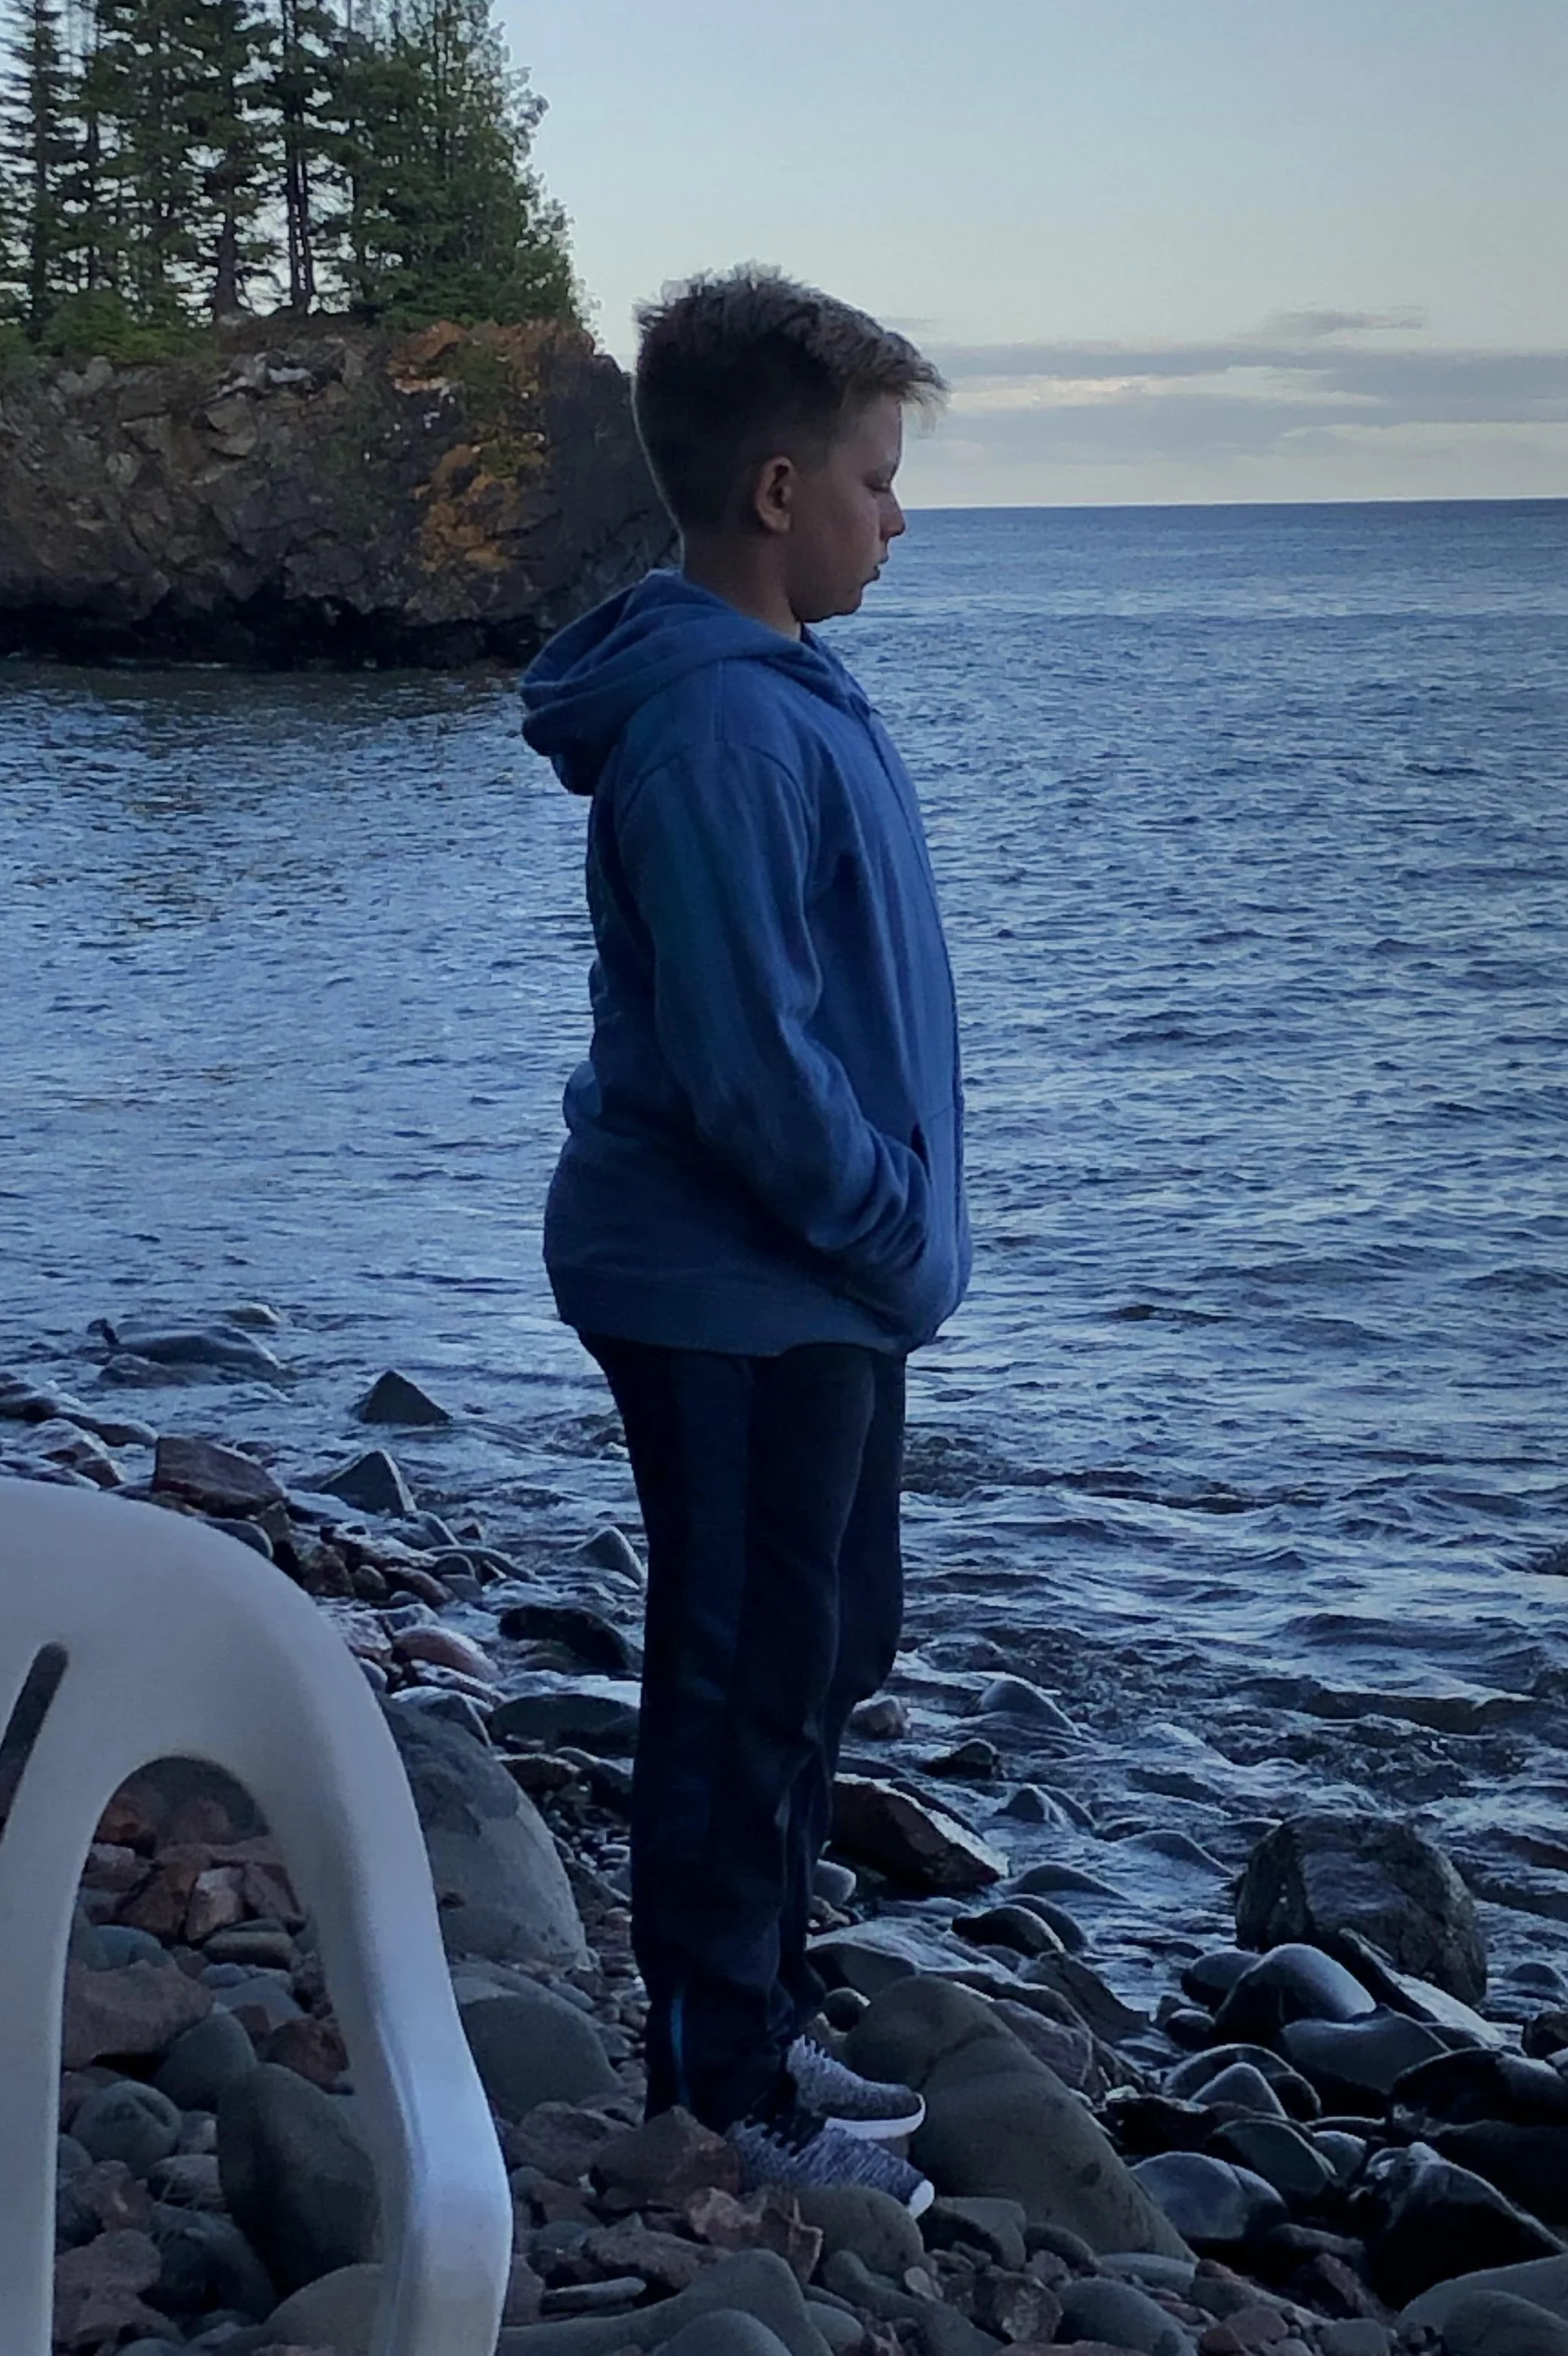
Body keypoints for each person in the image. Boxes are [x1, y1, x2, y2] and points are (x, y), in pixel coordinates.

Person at [520, 265, 969, 2208]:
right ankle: (722, 2099)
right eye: (877, 480)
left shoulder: (778, 690)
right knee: (736, 1670)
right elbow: (746, 1064)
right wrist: (894, 1227)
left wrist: (887, 1241)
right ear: (780, 491)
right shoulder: (717, 726)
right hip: (738, 1284)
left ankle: (764, 2017)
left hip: (811, 1282)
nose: (897, 518)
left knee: (825, 1641)